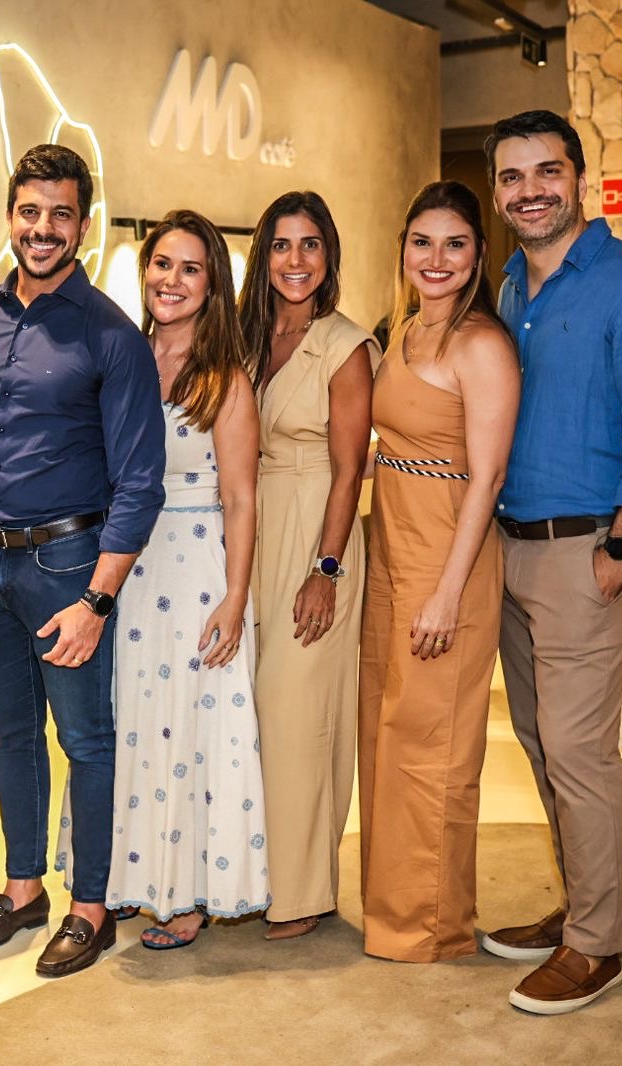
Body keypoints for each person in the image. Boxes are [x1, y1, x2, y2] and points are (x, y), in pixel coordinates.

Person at [477, 110, 622, 1014]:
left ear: (579, 177)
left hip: (588, 552)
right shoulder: (508, 289)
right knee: (539, 742)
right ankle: (582, 908)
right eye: (512, 176)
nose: (530, 190)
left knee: (578, 751)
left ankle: (598, 944)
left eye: (547, 171)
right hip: (512, 548)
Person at [0, 143, 165, 978]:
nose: (42, 229)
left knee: (85, 738)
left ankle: (91, 907)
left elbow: (139, 483)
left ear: (84, 223)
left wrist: (97, 600)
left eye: (60, 215)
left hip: (69, 562)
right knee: (10, 732)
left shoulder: (112, 335)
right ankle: (22, 888)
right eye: (30, 212)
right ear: (11, 216)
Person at [93, 209, 269, 949]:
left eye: (191, 268)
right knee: (129, 721)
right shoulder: (122, 357)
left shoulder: (224, 379)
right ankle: (132, 877)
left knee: (193, 729)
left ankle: (190, 892)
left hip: (197, 571)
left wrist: (236, 596)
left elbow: (242, 498)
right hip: (125, 569)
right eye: (162, 264)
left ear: (212, 285)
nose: (172, 280)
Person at [357, 180, 520, 962]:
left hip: (446, 557)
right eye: (423, 242)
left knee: (434, 744)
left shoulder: (480, 344)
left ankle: (432, 926)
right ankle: (389, 911)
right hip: (390, 546)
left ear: (479, 254)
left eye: (455, 244)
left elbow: (488, 477)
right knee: (385, 732)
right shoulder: (405, 330)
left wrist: (447, 594)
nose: (437, 259)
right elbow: (393, 443)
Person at [238, 190, 377, 941]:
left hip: (318, 531)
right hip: (253, 528)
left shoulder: (345, 345)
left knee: (298, 715)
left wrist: (326, 568)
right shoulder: (248, 337)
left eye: (310, 244)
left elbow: (351, 468)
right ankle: (260, 878)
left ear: (329, 255)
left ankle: (304, 892)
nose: (296, 260)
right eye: (282, 245)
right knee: (257, 715)